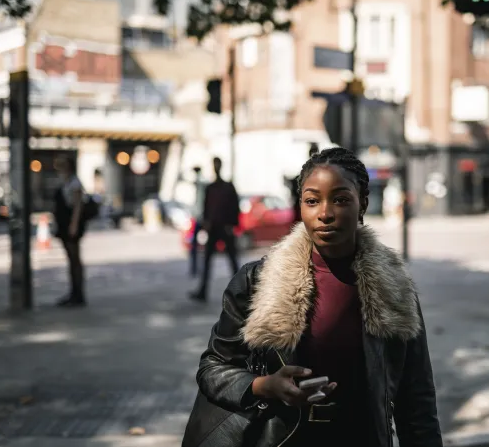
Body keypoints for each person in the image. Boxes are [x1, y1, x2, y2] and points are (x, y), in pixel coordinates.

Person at [182, 147, 441, 447]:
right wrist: (264, 385)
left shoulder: (394, 287)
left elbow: (417, 401)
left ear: (363, 204)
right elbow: (213, 369)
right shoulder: (256, 282)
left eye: (341, 200)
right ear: (300, 206)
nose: (325, 214)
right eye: (312, 201)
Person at [189, 157, 241, 302]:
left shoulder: (227, 187)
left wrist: (232, 224)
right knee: (208, 261)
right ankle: (203, 291)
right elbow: (207, 208)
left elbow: (234, 207)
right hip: (214, 227)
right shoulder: (211, 188)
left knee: (232, 260)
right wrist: (206, 223)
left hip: (225, 227)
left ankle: (241, 292)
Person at [53, 157, 86, 307]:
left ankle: (78, 294)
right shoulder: (65, 183)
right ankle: (74, 292)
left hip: (70, 226)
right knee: (71, 260)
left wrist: (74, 224)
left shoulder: (74, 183)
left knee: (75, 260)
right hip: (64, 225)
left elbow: (78, 206)